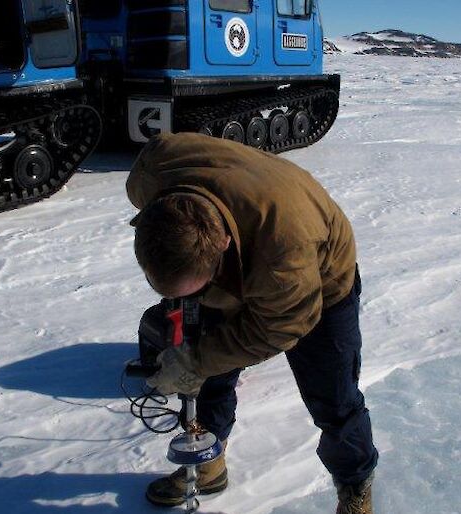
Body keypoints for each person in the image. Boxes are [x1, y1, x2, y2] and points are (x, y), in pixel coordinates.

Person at [126, 133, 378, 514]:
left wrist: (197, 360)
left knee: (335, 400)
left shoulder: (285, 252)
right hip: (243, 240)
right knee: (208, 372)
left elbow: (283, 326)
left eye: (200, 288)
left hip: (320, 284)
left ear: (223, 246)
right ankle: (207, 465)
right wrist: (200, 359)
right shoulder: (153, 173)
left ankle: (355, 488)